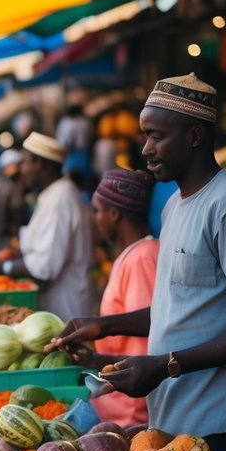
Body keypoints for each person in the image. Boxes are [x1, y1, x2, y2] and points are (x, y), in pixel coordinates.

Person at [54, 73, 226, 451]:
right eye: (145, 136)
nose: (146, 149)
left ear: (194, 136)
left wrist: (165, 364)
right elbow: (178, 308)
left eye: (157, 136)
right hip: (174, 420)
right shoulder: (174, 206)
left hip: (220, 427)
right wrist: (104, 327)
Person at [78, 168, 159, 429]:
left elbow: (145, 343)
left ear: (114, 214)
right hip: (114, 404)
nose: (95, 219)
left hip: (129, 414)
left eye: (97, 211)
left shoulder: (142, 258)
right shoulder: (135, 254)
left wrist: (134, 419)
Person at [0, 132, 93, 320]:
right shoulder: (53, 195)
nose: (22, 170)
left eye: (24, 163)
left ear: (38, 164)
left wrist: (3, 267)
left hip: (66, 310)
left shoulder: (60, 199)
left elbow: (43, 270)